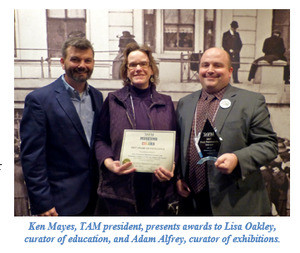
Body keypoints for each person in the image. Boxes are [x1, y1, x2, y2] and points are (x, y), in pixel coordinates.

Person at [176, 47, 278, 216]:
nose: (210, 70)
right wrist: (179, 177)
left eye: (217, 65)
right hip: (192, 202)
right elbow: (181, 144)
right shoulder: (184, 103)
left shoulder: (251, 101)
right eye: (205, 65)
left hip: (235, 202)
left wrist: (238, 158)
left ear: (230, 71)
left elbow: (269, 145)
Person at [20, 37, 103, 216]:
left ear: (93, 63)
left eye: (87, 60)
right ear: (63, 62)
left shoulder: (97, 97)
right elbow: (32, 158)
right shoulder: (39, 100)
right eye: (75, 59)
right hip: (59, 203)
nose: (82, 65)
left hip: (94, 199)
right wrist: (42, 203)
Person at [95, 42, 178, 215]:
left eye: (143, 64)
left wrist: (172, 165)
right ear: (126, 71)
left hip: (157, 189)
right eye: (132, 65)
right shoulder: (112, 101)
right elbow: (100, 139)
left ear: (151, 69)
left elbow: (175, 140)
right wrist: (109, 163)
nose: (138, 68)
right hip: (120, 190)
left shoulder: (166, 102)